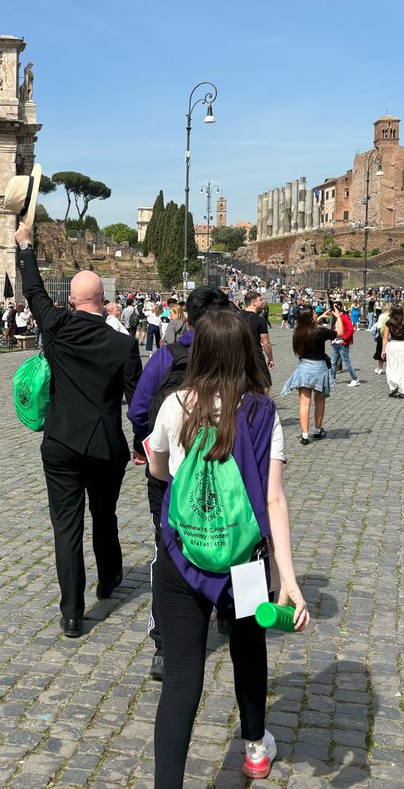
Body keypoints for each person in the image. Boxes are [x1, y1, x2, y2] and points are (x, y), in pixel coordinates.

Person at [146, 309, 308, 785]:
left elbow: (157, 469)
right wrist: (289, 581)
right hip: (246, 562)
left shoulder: (175, 405)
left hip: (183, 557)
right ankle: (256, 747)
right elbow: (274, 498)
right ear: (247, 352)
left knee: (180, 679)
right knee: (248, 649)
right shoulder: (261, 412)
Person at [16, 218, 142, 638]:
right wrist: (143, 443)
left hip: (62, 443)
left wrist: (26, 247)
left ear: (71, 300)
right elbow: (137, 401)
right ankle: (109, 579)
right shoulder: (124, 345)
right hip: (107, 447)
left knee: (66, 527)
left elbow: (33, 293)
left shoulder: (56, 328)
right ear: (105, 301)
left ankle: (72, 613)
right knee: (104, 515)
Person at [127, 287, 232, 681]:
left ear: (187, 318)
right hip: (226, 470)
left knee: (167, 548)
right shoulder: (239, 360)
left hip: (168, 473)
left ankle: (164, 646)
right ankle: (228, 612)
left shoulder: (164, 358)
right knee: (232, 534)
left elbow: (139, 410)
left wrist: (154, 446)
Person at [280, 309, 335, 445]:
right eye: (315, 314)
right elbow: (339, 333)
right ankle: (317, 430)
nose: (317, 314)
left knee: (304, 403)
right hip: (319, 369)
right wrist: (338, 317)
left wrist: (320, 317)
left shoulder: (299, 333)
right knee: (319, 401)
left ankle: (305, 435)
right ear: (311, 318)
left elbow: (309, 327)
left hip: (304, 368)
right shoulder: (321, 332)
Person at [240, 291, 274, 387]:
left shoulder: (235, 316)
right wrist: (270, 359)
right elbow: (266, 342)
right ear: (254, 302)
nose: (262, 302)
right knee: (265, 384)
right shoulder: (260, 320)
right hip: (255, 355)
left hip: (238, 355)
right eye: (260, 300)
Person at [381, 305, 404, 398]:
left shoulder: (389, 322)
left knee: (391, 367)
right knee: (402, 368)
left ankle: (393, 387)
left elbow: (385, 337)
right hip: (403, 345)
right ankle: (400, 389)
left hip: (393, 345)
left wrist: (383, 350)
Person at [328, 301, 360, 387]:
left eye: (334, 308)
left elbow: (351, 330)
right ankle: (332, 379)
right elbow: (335, 329)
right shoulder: (337, 317)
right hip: (336, 342)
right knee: (333, 362)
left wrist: (344, 339)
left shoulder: (344, 317)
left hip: (342, 343)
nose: (332, 311)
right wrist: (332, 339)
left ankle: (355, 379)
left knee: (346, 362)